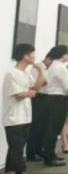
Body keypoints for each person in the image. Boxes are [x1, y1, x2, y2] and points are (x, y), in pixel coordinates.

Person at [3, 44, 46, 174]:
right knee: (17, 149)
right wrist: (29, 93)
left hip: (25, 116)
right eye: (33, 53)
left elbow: (37, 88)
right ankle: (21, 171)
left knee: (16, 148)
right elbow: (18, 95)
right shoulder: (12, 73)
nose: (35, 56)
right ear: (25, 56)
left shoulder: (26, 73)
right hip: (13, 118)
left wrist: (41, 71)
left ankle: (10, 170)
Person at [41, 45, 68, 166]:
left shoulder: (52, 66)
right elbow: (66, 85)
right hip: (58, 99)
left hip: (52, 98)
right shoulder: (61, 67)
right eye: (67, 54)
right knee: (54, 129)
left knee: (52, 128)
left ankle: (51, 154)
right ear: (63, 55)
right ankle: (49, 158)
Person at [26, 53, 52, 162]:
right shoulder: (37, 67)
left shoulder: (48, 69)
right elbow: (37, 85)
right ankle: (31, 153)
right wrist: (44, 78)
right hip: (37, 98)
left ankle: (39, 150)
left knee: (43, 126)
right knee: (35, 126)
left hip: (46, 98)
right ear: (47, 58)